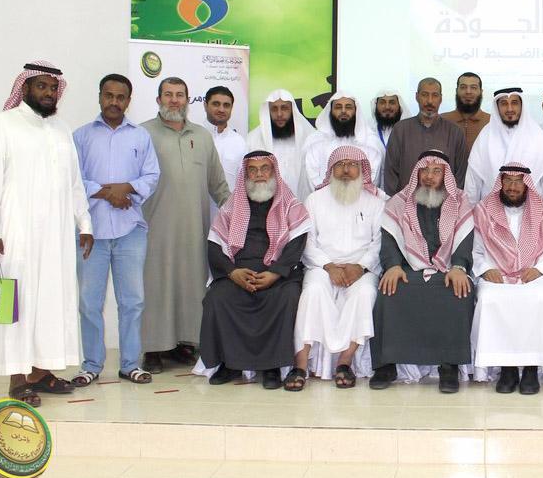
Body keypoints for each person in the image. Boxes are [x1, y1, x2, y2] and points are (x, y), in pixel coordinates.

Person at [0, 61, 94, 406]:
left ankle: (41, 373)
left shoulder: (61, 129)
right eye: (41, 86)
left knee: (53, 302)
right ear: (25, 87)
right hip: (17, 235)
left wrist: (85, 224)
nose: (48, 93)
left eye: (53, 88)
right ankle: (17, 380)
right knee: (20, 304)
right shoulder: (0, 126)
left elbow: (74, 183)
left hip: (57, 235)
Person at [70, 74, 160, 387]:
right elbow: (73, 179)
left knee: (132, 301)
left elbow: (151, 176)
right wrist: (109, 193)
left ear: (128, 101)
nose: (114, 102)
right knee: (89, 302)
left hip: (130, 230)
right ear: (100, 96)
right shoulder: (81, 136)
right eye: (108, 95)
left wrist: (127, 189)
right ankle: (91, 366)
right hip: (90, 232)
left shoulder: (140, 136)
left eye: (120, 97)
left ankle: (130, 365)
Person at [141, 77, 231, 373]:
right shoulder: (143, 134)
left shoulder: (202, 137)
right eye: (168, 95)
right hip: (155, 228)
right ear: (158, 100)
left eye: (180, 95)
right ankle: (153, 348)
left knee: (191, 285)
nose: (174, 100)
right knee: (156, 286)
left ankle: (186, 343)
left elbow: (218, 184)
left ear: (188, 100)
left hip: (195, 228)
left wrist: (239, 216)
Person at [201, 152, 310, 390]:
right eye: (253, 170)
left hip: (277, 273)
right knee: (218, 297)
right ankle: (230, 363)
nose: (259, 174)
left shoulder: (290, 205)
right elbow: (214, 245)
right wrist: (232, 273)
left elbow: (297, 244)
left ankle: (271, 367)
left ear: (274, 172)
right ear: (246, 175)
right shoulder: (232, 207)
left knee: (286, 297)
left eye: (265, 168)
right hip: (238, 272)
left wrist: (275, 273)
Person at [370, 151, 475, 393]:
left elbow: (465, 239)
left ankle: (448, 366)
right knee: (389, 291)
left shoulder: (460, 201)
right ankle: (386, 365)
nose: (429, 176)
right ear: (416, 173)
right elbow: (389, 238)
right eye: (425, 171)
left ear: (446, 176)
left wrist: (459, 267)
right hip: (408, 268)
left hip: (447, 269)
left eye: (437, 171)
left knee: (459, 292)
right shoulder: (398, 202)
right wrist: (393, 265)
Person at [293, 146, 386, 391]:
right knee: (312, 291)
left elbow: (378, 243)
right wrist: (328, 266)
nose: (346, 170)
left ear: (362, 169)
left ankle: (345, 362)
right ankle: (300, 365)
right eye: (340, 165)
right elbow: (307, 241)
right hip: (322, 265)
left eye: (352, 164)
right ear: (331, 170)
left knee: (366, 293)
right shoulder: (314, 200)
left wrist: (361, 267)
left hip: (361, 268)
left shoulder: (376, 202)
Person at [471, 163, 543, 395]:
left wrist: (539, 269)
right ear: (500, 183)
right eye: (508, 181)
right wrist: (486, 269)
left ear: (527, 185)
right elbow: (476, 250)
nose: (512, 187)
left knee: (540, 297)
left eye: (518, 182)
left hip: (532, 273)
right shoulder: (483, 211)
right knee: (489, 298)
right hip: (496, 273)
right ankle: (507, 368)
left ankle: (531, 368)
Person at [467, 88, 543, 204]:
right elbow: (473, 183)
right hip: (490, 209)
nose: (509, 109)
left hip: (531, 209)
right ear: (497, 107)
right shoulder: (485, 136)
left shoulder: (537, 135)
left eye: (514, 103)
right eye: (504, 103)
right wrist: (471, 212)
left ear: (522, 106)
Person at [384, 78, 468, 196]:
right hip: (405, 203)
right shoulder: (400, 130)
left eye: (435, 95)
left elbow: (461, 175)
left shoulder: (455, 132)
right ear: (417, 97)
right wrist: (396, 202)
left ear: (441, 99)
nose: (429, 101)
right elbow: (391, 172)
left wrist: (452, 202)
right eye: (424, 95)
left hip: (444, 204)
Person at [300, 92, 384, 198]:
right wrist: (329, 197)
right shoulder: (316, 141)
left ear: (356, 111)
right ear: (330, 111)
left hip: (361, 200)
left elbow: (372, 176)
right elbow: (311, 175)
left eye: (348, 107)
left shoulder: (369, 142)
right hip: (324, 201)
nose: (343, 111)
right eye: (338, 107)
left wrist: (354, 196)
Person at [246, 89, 316, 195]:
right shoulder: (253, 139)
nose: (279, 114)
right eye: (274, 109)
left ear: (292, 110)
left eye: (284, 108)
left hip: (301, 200)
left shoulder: (309, 137)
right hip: (267, 201)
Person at [204, 85, 247, 193]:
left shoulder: (239, 142)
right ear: (205, 105)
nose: (221, 109)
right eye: (216, 104)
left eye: (226, 105)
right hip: (198, 203)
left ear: (231, 108)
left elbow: (243, 183)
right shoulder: (194, 137)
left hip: (229, 203)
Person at [441, 72, 491, 151]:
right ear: (456, 91)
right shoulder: (441, 120)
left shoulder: (492, 122)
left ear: (481, 92)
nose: (468, 92)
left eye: (473, 87)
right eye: (463, 87)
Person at [372, 89, 411, 153]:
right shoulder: (368, 130)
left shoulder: (409, 131)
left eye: (392, 103)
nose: (387, 107)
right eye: (382, 102)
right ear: (376, 105)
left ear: (399, 106)